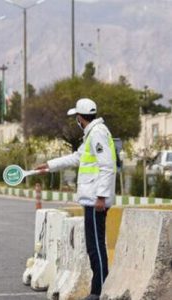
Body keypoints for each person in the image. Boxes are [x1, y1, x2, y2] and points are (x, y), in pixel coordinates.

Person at [35, 98, 116, 300]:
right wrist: (50, 165)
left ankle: (99, 291)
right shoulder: (92, 134)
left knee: (96, 246)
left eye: (76, 118)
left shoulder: (97, 133)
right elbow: (77, 157)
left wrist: (101, 197)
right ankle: (98, 289)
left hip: (96, 201)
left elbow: (107, 166)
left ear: (80, 118)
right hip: (91, 200)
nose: (76, 121)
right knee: (92, 246)